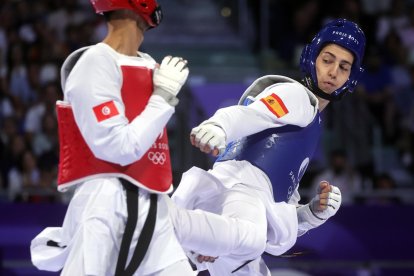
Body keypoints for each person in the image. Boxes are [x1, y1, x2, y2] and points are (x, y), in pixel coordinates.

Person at [169, 18, 366, 275]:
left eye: (343, 66)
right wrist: (219, 126)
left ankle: (193, 245)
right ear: (312, 59)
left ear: (351, 76)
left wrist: (311, 213)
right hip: (238, 195)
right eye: (327, 60)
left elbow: (278, 207)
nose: (333, 72)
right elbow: (250, 114)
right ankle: (171, 225)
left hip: (246, 207)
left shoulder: (312, 123)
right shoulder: (297, 96)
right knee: (250, 238)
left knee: (251, 253)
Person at [30, 0, 194, 275]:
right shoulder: (93, 63)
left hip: (154, 202)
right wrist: (163, 98)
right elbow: (117, 147)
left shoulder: (150, 65)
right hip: (105, 203)